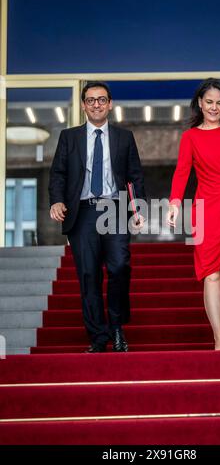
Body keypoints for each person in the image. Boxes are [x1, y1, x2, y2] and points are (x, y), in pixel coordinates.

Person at [49, 81, 146, 353]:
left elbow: (135, 176)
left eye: (101, 99)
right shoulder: (69, 137)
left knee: (119, 266)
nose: (96, 104)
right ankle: (98, 336)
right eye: (90, 100)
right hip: (82, 212)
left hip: (115, 208)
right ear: (83, 105)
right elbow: (58, 173)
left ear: (110, 104)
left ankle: (116, 326)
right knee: (89, 275)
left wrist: (138, 209)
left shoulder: (124, 137)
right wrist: (56, 200)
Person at [167, 78, 220, 351]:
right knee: (212, 275)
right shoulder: (190, 136)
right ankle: (219, 337)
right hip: (204, 211)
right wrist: (173, 204)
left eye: (219, 103)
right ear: (200, 104)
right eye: (209, 102)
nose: (214, 107)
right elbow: (182, 173)